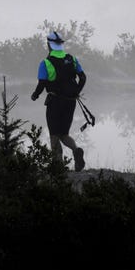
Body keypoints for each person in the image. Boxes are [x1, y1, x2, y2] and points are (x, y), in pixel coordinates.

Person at [31, 31, 87, 171]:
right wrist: (76, 92)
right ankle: (76, 150)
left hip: (55, 102)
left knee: (54, 135)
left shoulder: (46, 63)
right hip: (70, 102)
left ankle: (58, 166)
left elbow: (42, 83)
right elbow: (83, 77)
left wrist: (35, 95)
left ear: (48, 45)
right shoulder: (72, 59)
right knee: (64, 134)